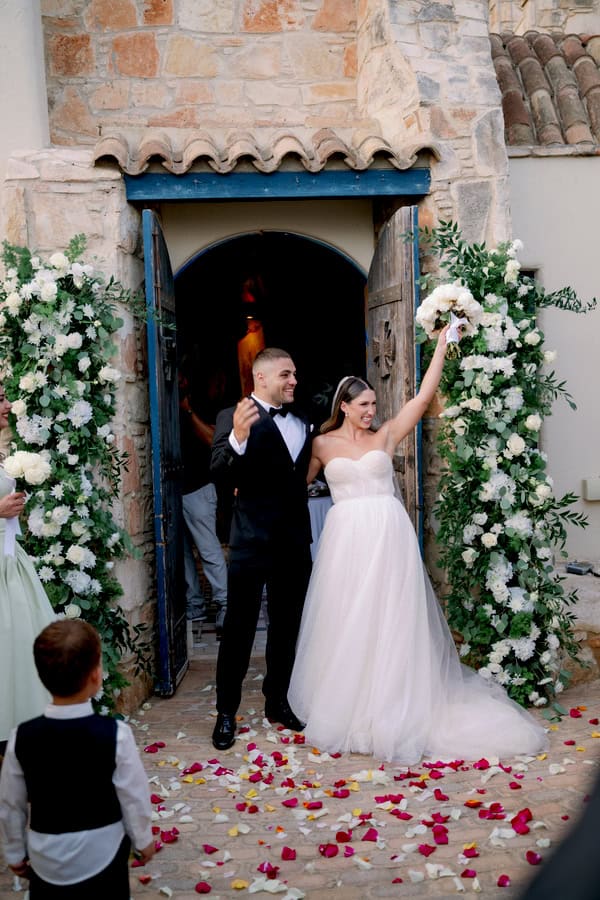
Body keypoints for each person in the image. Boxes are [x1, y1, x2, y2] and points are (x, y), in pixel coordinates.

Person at [288, 326, 548, 763]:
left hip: (388, 534)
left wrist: (441, 345)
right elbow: (293, 488)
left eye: (374, 404)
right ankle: (353, 707)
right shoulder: (321, 444)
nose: (372, 411)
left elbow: (423, 398)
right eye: (364, 405)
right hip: (345, 540)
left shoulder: (386, 435)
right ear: (344, 407)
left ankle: (394, 704)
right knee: (349, 616)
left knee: (391, 617)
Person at [0, 619, 154, 897]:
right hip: (105, 853)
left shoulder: (20, 737)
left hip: (46, 857)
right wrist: (143, 839)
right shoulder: (116, 734)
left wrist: (14, 852)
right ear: (96, 676)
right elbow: (134, 795)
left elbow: (11, 804)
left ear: (42, 676)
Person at [209, 347, 313, 750]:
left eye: (294, 374)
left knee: (287, 627)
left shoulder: (303, 419)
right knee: (239, 629)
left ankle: (277, 702)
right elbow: (219, 471)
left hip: (294, 542)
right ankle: (225, 712)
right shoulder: (232, 416)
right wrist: (238, 437)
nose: (293, 381)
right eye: (286, 374)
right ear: (262, 378)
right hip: (251, 541)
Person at [0, 381, 56, 761]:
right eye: (0, 399)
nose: (8, 405)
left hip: (11, 564)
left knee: (21, 647)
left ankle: (17, 738)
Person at [179, 372, 228, 635]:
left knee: (208, 550)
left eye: (182, 376)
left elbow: (213, 440)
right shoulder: (165, 407)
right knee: (181, 554)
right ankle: (194, 605)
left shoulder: (203, 405)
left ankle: (225, 604)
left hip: (198, 487)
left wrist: (188, 411)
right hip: (172, 489)